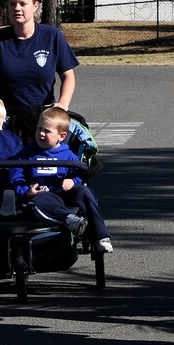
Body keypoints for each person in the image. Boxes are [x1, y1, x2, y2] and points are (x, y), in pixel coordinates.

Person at [0, 0, 80, 140]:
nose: (17, 8)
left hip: (43, 118)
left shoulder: (52, 36)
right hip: (6, 119)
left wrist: (62, 105)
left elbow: (68, 76)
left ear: (35, 6)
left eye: (23, 4)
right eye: (12, 4)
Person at [10, 107, 113, 253]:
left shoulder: (68, 155)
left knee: (84, 190)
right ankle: (68, 219)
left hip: (64, 194)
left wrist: (73, 181)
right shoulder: (26, 153)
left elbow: (79, 174)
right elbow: (16, 174)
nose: (41, 133)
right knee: (41, 199)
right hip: (40, 195)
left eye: (47, 131)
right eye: (39, 128)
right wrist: (26, 191)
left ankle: (100, 236)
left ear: (62, 136)